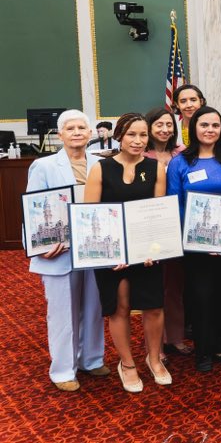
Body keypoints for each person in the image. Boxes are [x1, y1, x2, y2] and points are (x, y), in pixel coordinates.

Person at [84, 112, 172, 392]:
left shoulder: (155, 167)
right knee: (120, 305)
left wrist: (152, 248)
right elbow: (91, 216)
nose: (137, 140)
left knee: (154, 305)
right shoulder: (100, 168)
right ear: (120, 135)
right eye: (132, 134)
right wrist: (111, 254)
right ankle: (128, 364)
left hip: (146, 250)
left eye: (143, 134)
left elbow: (158, 213)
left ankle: (154, 358)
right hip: (112, 253)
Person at [25, 110, 106, 392]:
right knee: (62, 312)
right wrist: (39, 246)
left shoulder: (101, 164)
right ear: (60, 135)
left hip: (93, 246)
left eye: (81, 127)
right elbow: (34, 210)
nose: (76, 132)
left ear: (90, 133)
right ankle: (62, 370)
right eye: (69, 128)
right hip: (57, 250)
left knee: (93, 306)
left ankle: (92, 360)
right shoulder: (44, 166)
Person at [167, 106, 221, 372]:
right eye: (204, 125)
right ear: (194, 128)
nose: (210, 130)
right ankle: (203, 350)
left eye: (215, 125)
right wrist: (199, 242)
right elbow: (175, 205)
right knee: (201, 297)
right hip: (196, 245)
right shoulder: (180, 162)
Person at [143, 107, 191, 359]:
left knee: (175, 285)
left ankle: (175, 337)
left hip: (179, 227)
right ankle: (156, 344)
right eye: (159, 125)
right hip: (151, 226)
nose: (164, 129)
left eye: (169, 125)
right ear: (149, 127)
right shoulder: (141, 155)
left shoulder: (182, 153)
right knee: (154, 287)